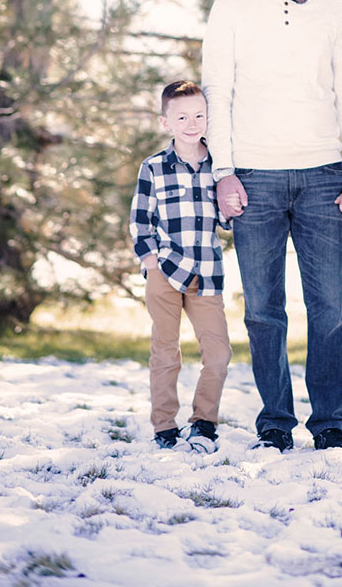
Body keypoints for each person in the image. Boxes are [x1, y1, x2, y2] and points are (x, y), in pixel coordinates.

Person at [201, 0, 342, 452]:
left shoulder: (337, 13)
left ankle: (330, 424)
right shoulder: (231, 7)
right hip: (253, 177)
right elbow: (217, 90)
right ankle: (274, 422)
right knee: (263, 311)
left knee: (329, 310)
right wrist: (223, 171)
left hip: (324, 176)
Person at [129, 80, 231, 453]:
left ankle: (203, 422)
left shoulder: (219, 166)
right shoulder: (153, 167)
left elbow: (227, 219)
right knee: (166, 352)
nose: (192, 124)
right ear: (165, 122)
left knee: (218, 354)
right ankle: (164, 427)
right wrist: (151, 262)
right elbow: (140, 220)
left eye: (199, 116)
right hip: (165, 271)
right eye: (182, 117)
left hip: (206, 272)